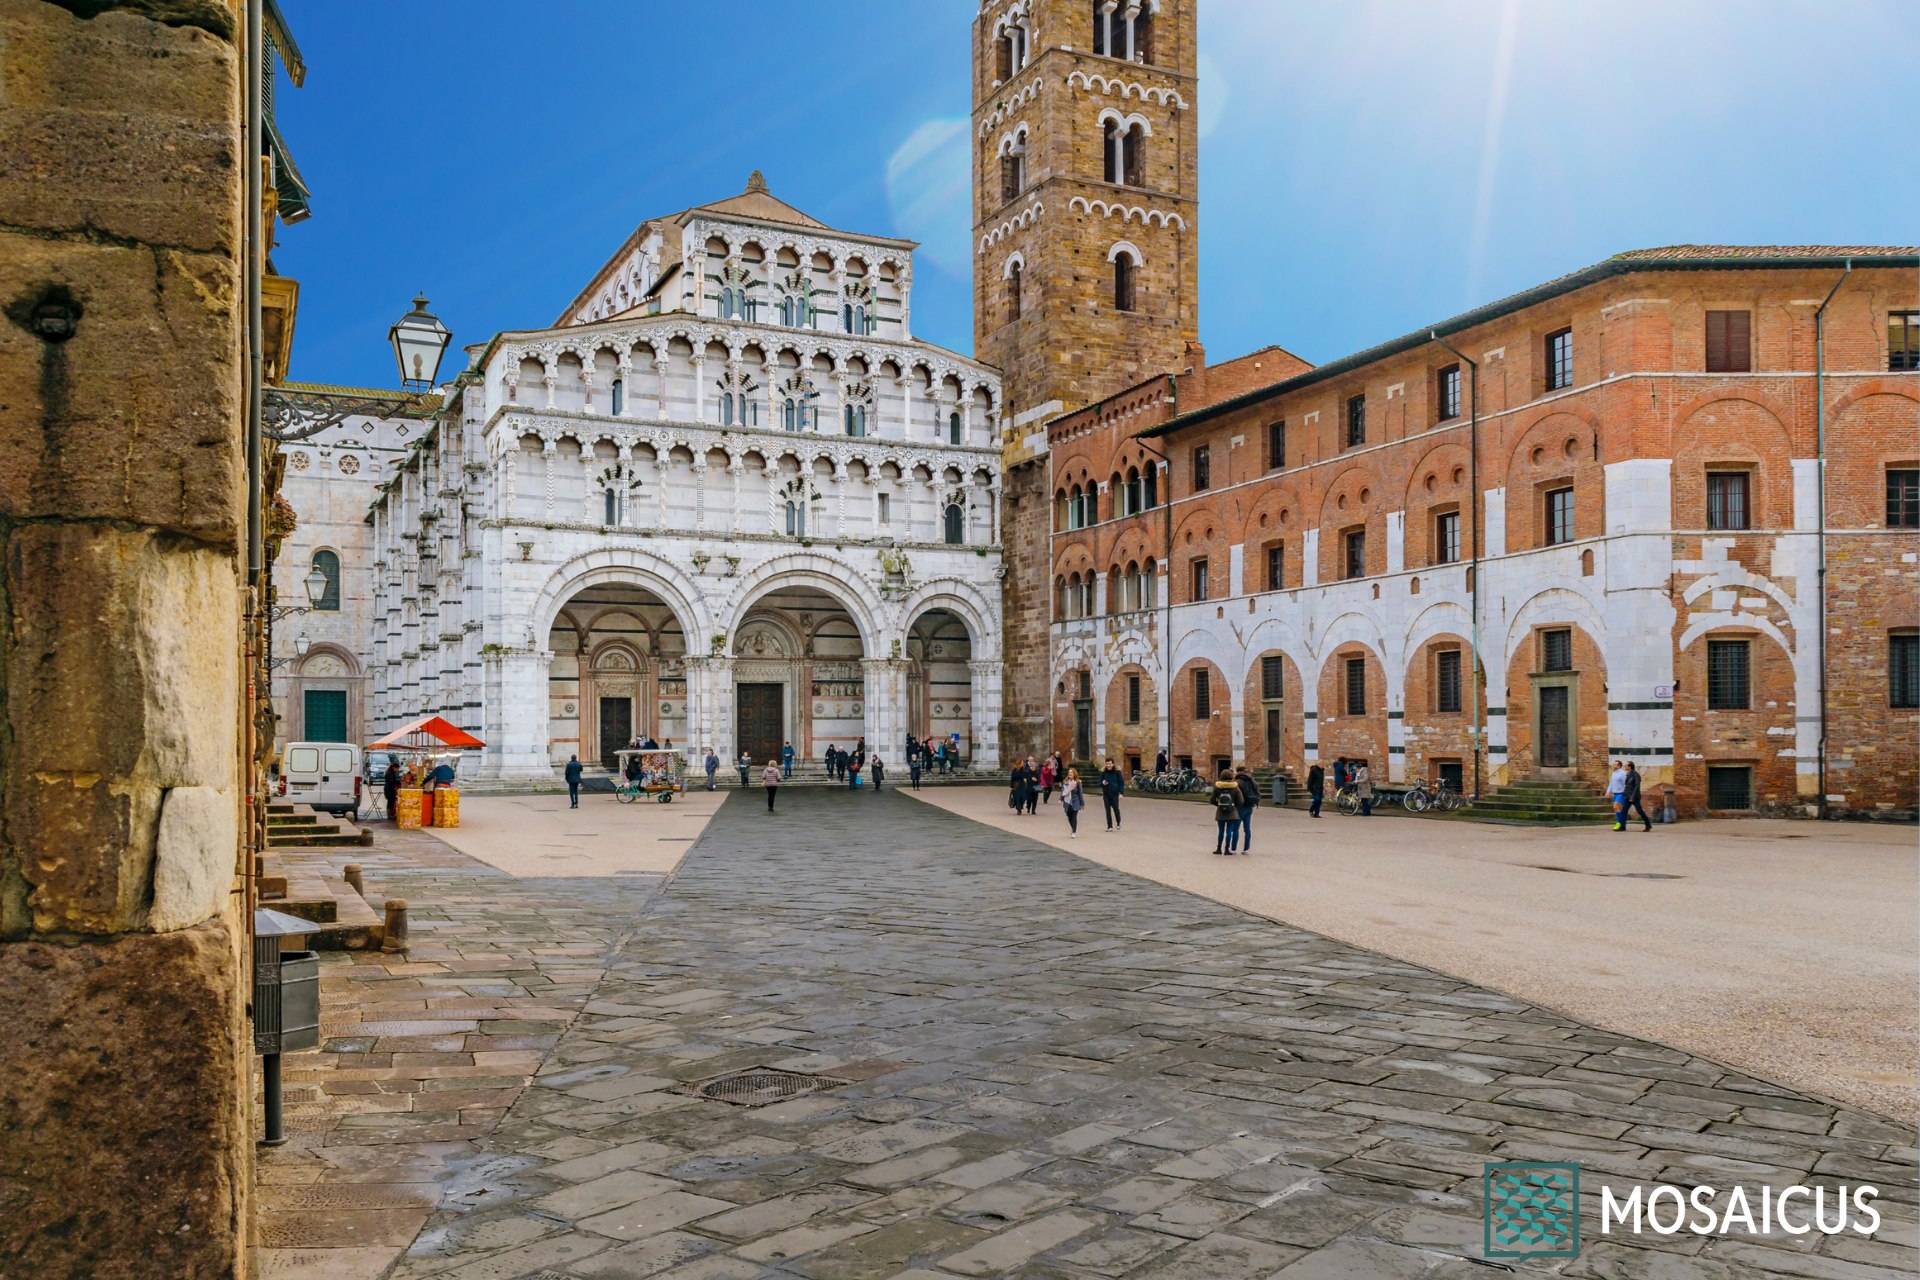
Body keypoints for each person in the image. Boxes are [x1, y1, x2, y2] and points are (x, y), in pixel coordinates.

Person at [1211, 766, 1243, 853]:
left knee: (1221, 831)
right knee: (1229, 831)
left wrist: (1219, 805)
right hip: (1232, 812)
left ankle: (1218, 848)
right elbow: (1241, 801)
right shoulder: (1235, 787)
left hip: (1220, 812)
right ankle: (1227, 849)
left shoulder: (1218, 786)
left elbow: (1212, 800)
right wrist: (1234, 806)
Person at [1621, 761, 1653, 831]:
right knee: (1623, 811)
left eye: (1626, 765)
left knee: (1639, 811)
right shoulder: (1628, 774)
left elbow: (1637, 786)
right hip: (1627, 796)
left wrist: (1632, 797)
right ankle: (1623, 826)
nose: (1625, 766)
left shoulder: (1636, 775)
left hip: (1634, 797)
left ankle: (1648, 825)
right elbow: (1627, 785)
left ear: (1629, 767)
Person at [1234, 765, 1259, 852]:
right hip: (1250, 806)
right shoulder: (1253, 781)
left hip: (1240, 807)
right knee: (1247, 828)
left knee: (1235, 828)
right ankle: (1246, 848)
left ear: (1239, 772)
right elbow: (1257, 793)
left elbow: (1235, 795)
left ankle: (1233, 848)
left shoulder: (1238, 782)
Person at [1098, 758, 1124, 831]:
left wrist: (1121, 793)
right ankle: (1109, 826)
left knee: (1116, 809)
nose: (1108, 765)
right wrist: (1102, 783)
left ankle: (1118, 822)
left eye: (1110, 764)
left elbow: (1121, 783)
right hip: (1106, 794)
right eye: (1107, 764)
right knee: (1107, 810)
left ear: (1113, 764)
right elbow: (1099, 783)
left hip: (1115, 794)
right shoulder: (1103, 772)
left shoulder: (1117, 772)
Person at [1061, 767, 1085, 837]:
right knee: (1069, 816)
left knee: (1074, 816)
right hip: (1067, 801)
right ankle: (1072, 827)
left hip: (1075, 801)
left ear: (1074, 774)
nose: (1070, 773)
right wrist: (1060, 799)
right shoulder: (1065, 783)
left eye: (1071, 772)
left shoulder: (1078, 782)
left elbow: (1080, 793)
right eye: (1069, 772)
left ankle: (1074, 831)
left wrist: (1082, 803)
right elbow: (1063, 792)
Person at [1607, 760, 1629, 830]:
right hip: (1615, 793)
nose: (1613, 766)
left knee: (1615, 807)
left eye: (1615, 764)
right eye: (1613, 764)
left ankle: (1619, 822)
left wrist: (1625, 792)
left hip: (1621, 793)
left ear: (1619, 766)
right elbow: (1611, 783)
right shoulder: (1614, 773)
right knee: (1618, 809)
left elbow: (1625, 783)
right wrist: (1608, 791)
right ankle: (1622, 824)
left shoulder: (1622, 773)